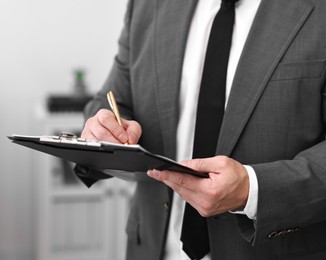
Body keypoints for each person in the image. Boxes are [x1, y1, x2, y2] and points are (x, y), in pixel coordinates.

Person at [75, 0, 326, 259]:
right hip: (153, 248)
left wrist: (252, 190)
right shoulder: (147, 5)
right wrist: (102, 130)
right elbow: (112, 102)